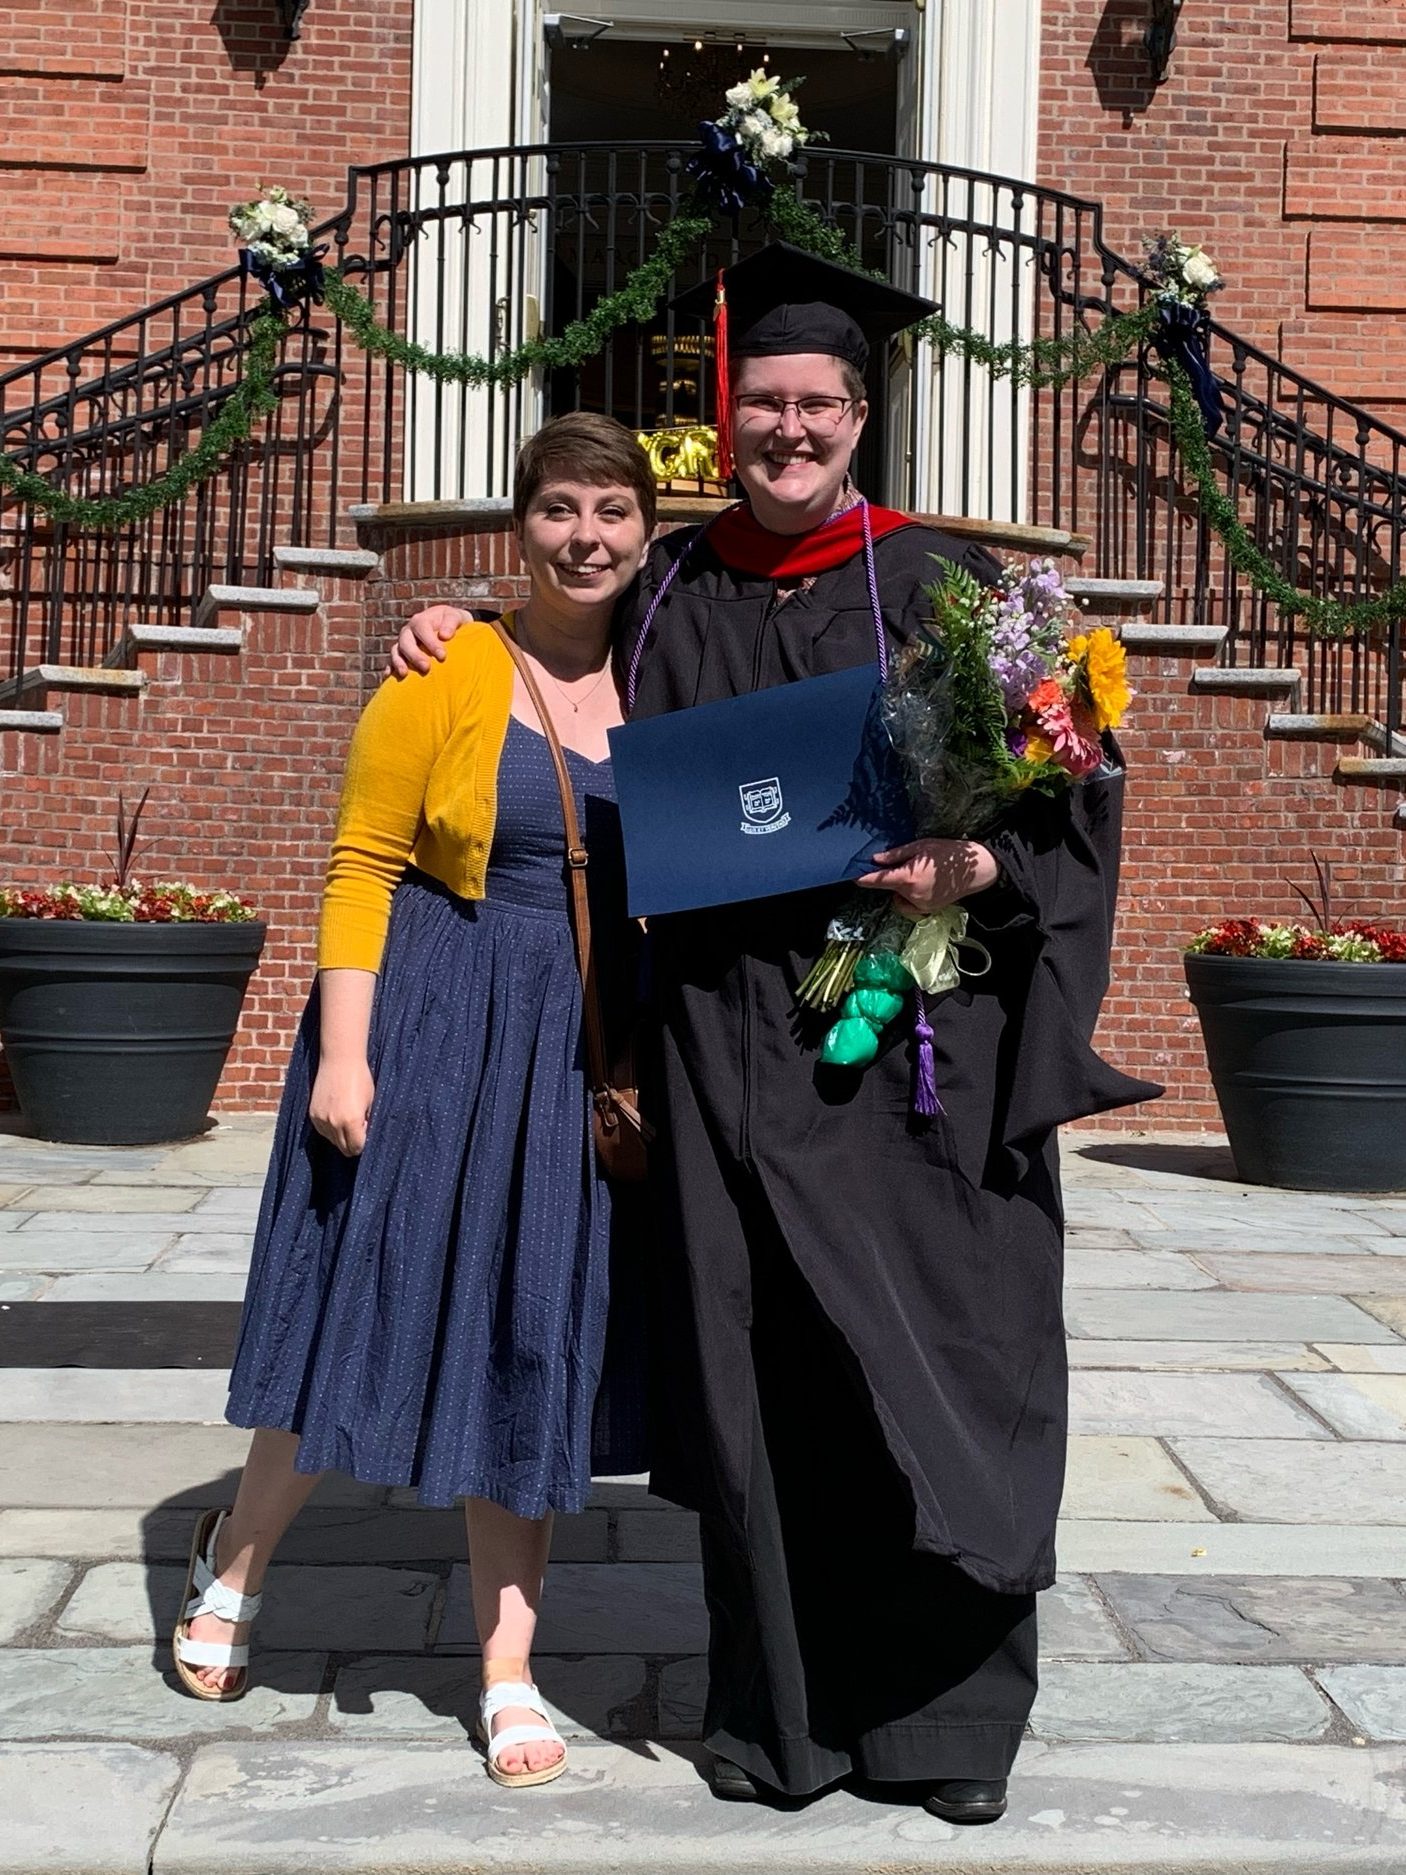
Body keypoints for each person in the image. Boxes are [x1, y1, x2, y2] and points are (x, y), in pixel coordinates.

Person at [392, 244, 1159, 1821]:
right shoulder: (673, 582)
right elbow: (550, 670)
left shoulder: (955, 587)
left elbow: (1074, 798)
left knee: (939, 1357)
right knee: (760, 1385)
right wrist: (449, 625)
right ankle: (779, 1724)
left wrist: (979, 864)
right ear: (720, 418)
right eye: (760, 405)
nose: (787, 431)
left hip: (908, 1060)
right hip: (721, 1053)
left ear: (862, 415)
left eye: (815, 404)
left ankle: (944, 1729)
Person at [173, 411, 655, 1792]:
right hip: (435, 1016)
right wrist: (342, 1051)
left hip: (574, 1045)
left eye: (612, 512)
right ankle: (237, 1566)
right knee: (358, 1303)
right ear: (523, 525)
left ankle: (506, 1667)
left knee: (531, 1324)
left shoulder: (667, 676)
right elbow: (361, 863)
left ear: (644, 531)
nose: (585, 536)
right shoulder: (447, 668)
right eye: (560, 508)